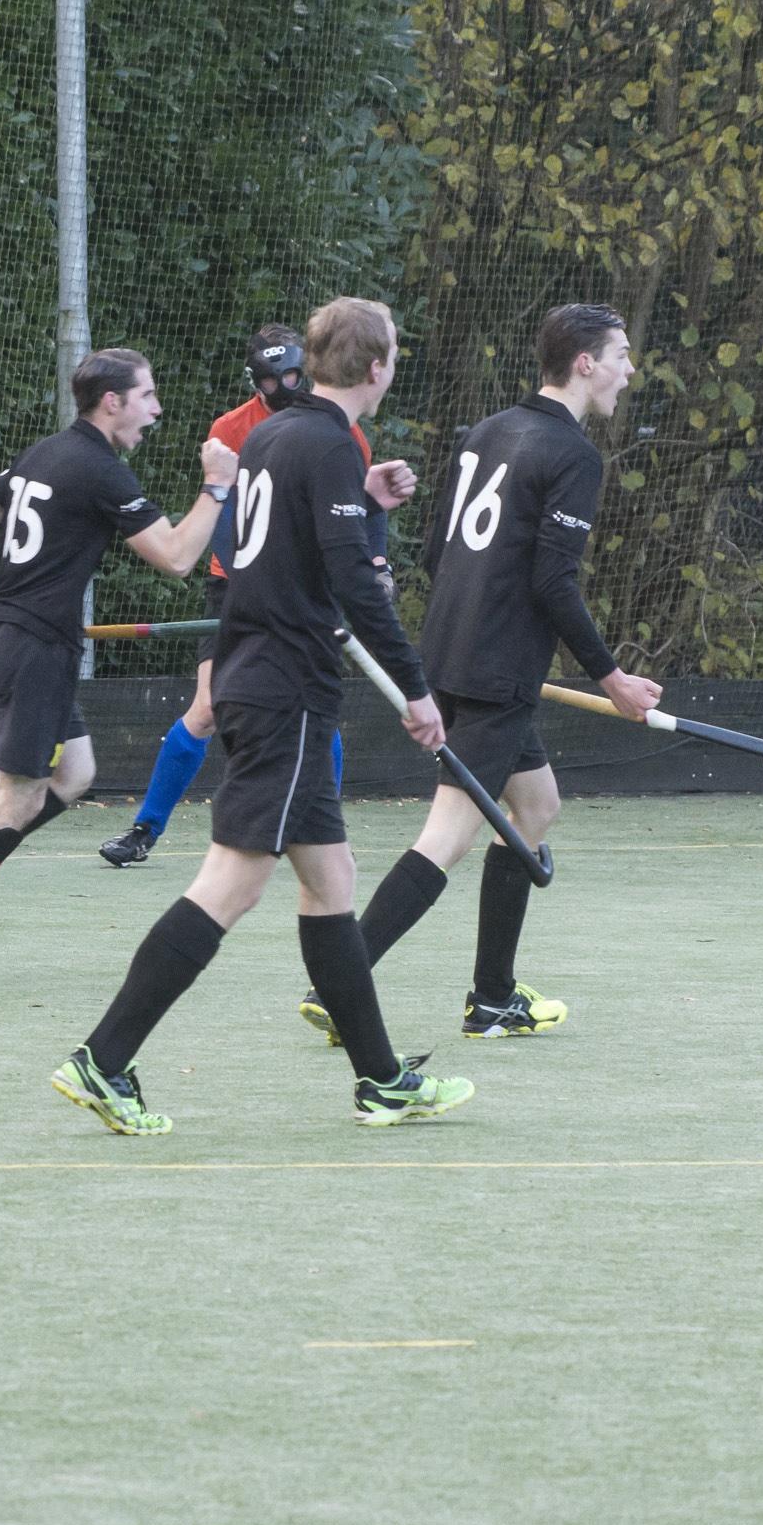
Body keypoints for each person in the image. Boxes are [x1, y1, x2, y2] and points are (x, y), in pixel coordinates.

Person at [52, 298, 473, 1133]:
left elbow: (297, 539)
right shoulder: (328, 441)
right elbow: (355, 582)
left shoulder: (277, 435)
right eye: (394, 355)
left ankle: (382, 1080)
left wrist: (364, 497)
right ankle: (103, 1059)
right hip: (285, 690)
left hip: (259, 675)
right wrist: (417, 691)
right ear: (378, 367)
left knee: (331, 882)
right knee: (231, 885)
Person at [303, 303, 662, 1045]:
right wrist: (612, 678)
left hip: (450, 653)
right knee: (447, 835)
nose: (630, 371)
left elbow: (439, 551)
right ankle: (340, 985)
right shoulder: (573, 455)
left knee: (535, 808)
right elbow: (553, 583)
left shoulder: (487, 431)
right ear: (586, 363)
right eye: (621, 356)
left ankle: (493, 997)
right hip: (498, 671)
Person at [0, 350, 237, 975]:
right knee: (17, 798)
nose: (156, 410)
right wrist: (216, 487)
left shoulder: (44, 452)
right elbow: (179, 557)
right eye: (147, 396)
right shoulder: (101, 471)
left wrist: (3, 600)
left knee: (74, 774)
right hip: (34, 649)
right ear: (112, 402)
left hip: (11, 638)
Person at [97, 326, 414, 868]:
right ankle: (145, 828)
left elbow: (360, 507)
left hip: (304, 589)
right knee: (206, 709)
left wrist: (377, 565)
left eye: (292, 375)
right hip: (235, 584)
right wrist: (250, 577)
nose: (283, 388)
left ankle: (324, 828)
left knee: (315, 709)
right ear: (255, 380)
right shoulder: (230, 429)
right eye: (271, 380)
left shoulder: (343, 433)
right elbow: (224, 513)